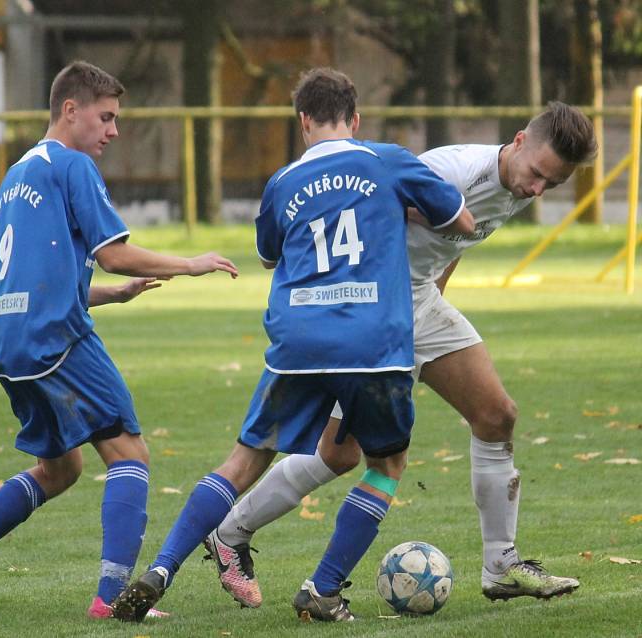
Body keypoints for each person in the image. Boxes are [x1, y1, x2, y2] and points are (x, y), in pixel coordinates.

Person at [110, 67, 474, 623]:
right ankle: (322, 590)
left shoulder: (282, 183)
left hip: (299, 339)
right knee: (387, 461)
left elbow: (271, 256)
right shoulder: (389, 161)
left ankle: (161, 568)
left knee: (243, 461)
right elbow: (462, 221)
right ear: (355, 119)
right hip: (374, 341)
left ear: (303, 122)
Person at [205, 101, 598, 608]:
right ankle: (231, 533)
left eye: (554, 184)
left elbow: (451, 246)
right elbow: (377, 209)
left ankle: (501, 564)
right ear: (520, 140)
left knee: (496, 415)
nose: (539, 189)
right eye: (539, 174)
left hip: (420, 304)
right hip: (374, 311)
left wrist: (438, 301)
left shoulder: (521, 184)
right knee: (338, 455)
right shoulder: (450, 170)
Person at [0, 60, 238, 619]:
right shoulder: (73, 166)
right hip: (53, 339)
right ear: (72, 110)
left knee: (60, 469)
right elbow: (112, 252)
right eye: (106, 117)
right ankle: (111, 600)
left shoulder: (16, 175)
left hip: (5, 336)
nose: (113, 131)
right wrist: (190, 263)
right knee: (128, 453)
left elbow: (40, 277)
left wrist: (113, 295)